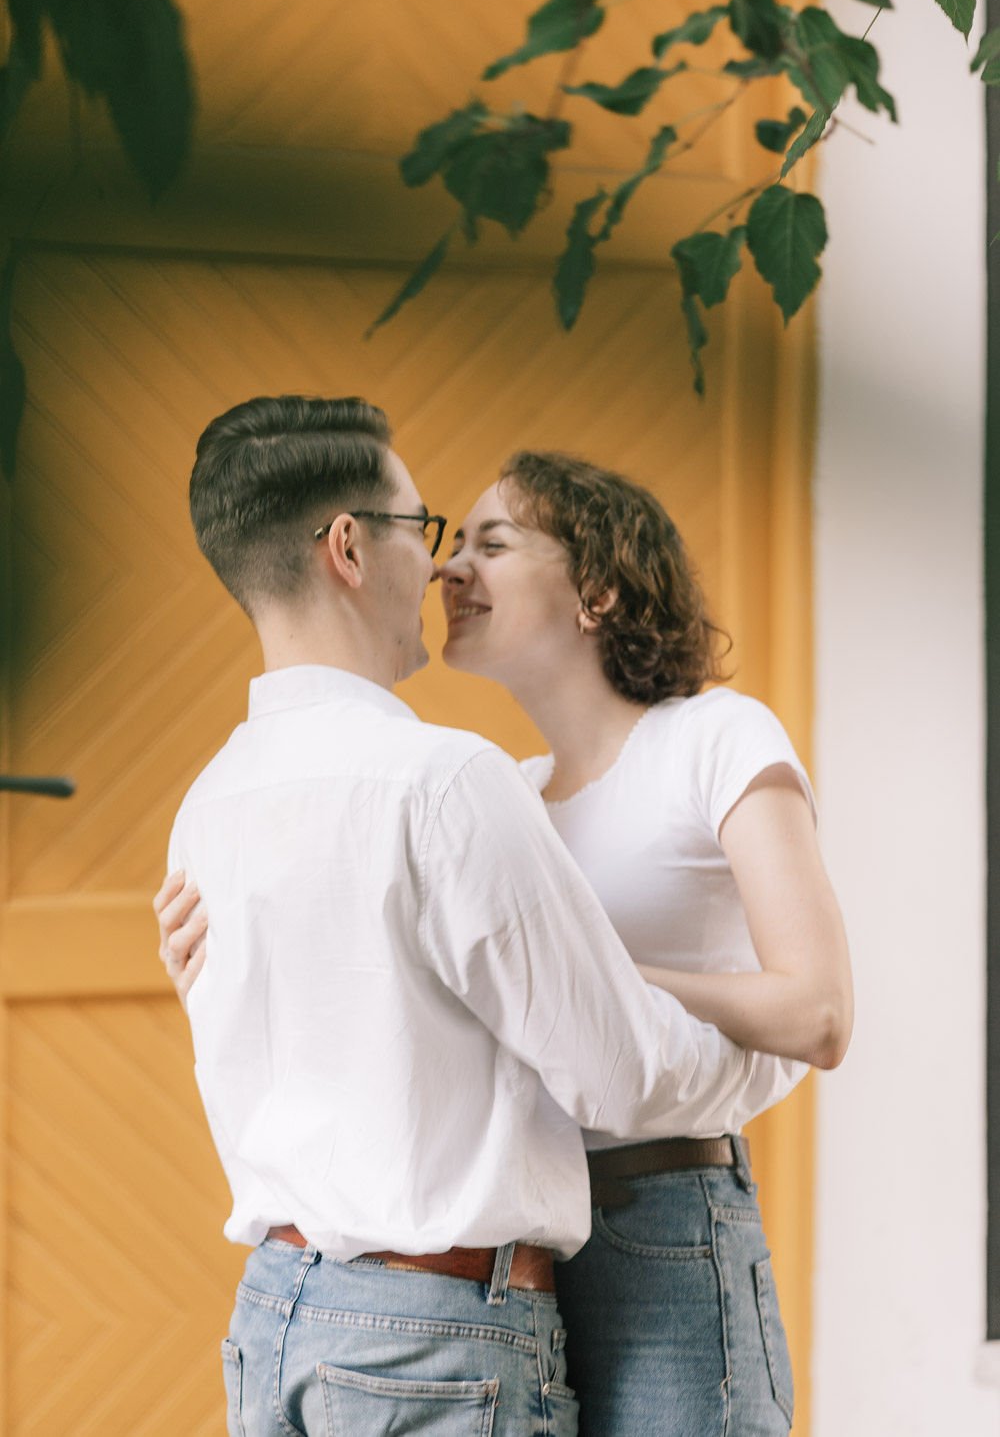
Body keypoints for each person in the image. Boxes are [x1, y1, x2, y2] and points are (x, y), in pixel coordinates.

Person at [161, 395, 807, 1437]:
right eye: (427, 533)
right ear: (348, 548)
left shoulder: (209, 804)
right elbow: (621, 1074)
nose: (444, 568)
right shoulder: (449, 781)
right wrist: (771, 1057)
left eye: (483, 542)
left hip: (279, 1321)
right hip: (431, 1335)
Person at [435, 450, 852, 1436]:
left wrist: (602, 978)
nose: (451, 569)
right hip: (519, 1247)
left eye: (492, 543)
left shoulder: (715, 738)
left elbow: (818, 1012)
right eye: (453, 545)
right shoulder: (510, 796)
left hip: (664, 1222)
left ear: (598, 589)